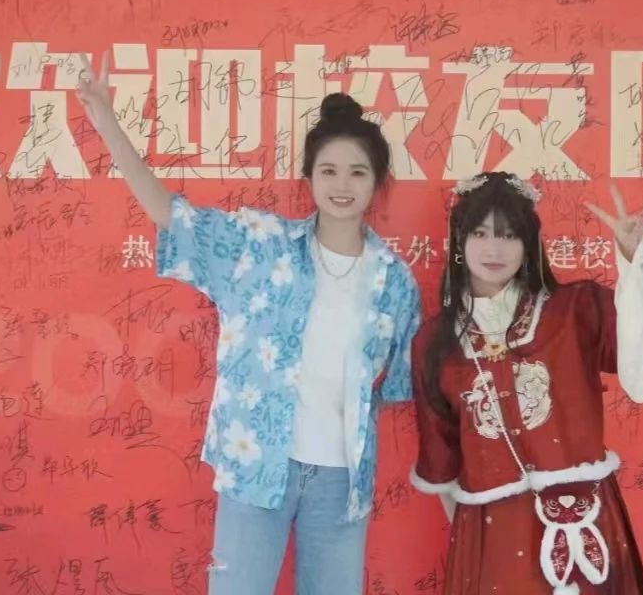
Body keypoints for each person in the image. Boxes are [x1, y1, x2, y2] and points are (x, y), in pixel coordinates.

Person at [75, 53, 421, 595]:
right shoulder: (260, 248)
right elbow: (173, 215)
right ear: (309, 177)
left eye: (358, 172)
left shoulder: (395, 282)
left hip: (340, 482)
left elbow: (393, 386)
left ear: (377, 182)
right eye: (328, 170)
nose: (342, 184)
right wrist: (107, 125)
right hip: (255, 463)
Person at [409, 171, 643, 594]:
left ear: (529, 244)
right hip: (493, 532)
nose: (494, 248)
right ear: (459, 242)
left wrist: (640, 262)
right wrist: (473, 539)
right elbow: (442, 456)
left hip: (586, 520)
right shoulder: (436, 343)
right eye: (480, 233)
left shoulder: (575, 311)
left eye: (509, 235)